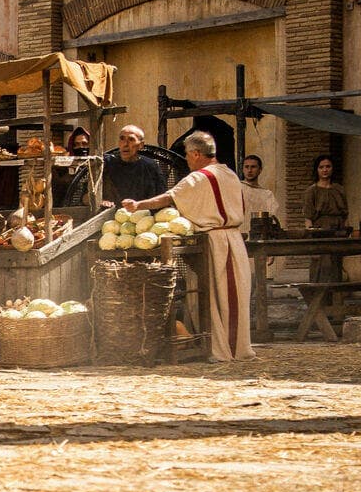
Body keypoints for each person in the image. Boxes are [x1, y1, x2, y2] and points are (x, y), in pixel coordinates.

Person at [123, 131, 254, 362]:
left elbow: (168, 198)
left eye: (187, 155)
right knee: (232, 294)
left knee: (221, 295)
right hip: (234, 240)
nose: (187, 159)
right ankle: (230, 346)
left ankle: (227, 349)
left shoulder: (199, 177)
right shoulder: (230, 173)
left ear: (196, 153)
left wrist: (137, 205)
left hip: (216, 241)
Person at [304, 154, 350, 283]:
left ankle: (335, 300)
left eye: (328, 166)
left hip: (338, 231)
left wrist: (345, 233)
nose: (325, 170)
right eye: (321, 167)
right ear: (317, 170)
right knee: (321, 265)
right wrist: (311, 238)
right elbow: (308, 218)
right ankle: (318, 300)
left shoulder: (339, 189)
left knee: (336, 265)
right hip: (320, 232)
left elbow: (345, 215)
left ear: (332, 168)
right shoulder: (311, 191)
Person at [101, 124, 167, 207]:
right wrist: (101, 201)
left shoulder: (151, 166)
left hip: (144, 216)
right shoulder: (107, 163)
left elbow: (162, 197)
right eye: (122, 139)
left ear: (141, 145)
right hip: (112, 216)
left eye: (131, 139)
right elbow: (85, 197)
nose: (125, 144)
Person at [237, 153, 281, 232]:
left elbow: (273, 216)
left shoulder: (267, 194)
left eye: (253, 167)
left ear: (260, 170)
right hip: (240, 234)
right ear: (243, 169)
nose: (249, 170)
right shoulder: (236, 189)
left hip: (260, 235)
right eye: (246, 167)